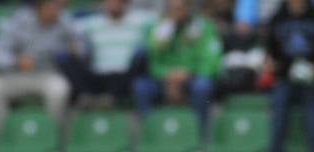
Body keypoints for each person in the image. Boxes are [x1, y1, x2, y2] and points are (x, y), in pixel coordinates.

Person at [0, 0, 86, 134]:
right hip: (17, 75)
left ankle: (51, 135)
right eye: (50, 6)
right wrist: (15, 61)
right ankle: (3, 136)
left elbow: (83, 45)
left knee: (59, 89)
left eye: (58, 7)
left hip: (47, 74)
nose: (55, 11)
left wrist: (78, 49)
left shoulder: (63, 21)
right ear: (39, 8)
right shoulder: (20, 21)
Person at [133, 0, 223, 132]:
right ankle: (149, 135)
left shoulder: (203, 26)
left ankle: (201, 136)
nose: (176, 12)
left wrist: (188, 73)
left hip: (192, 76)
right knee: (141, 86)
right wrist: (167, 74)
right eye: (173, 8)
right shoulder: (156, 27)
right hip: (163, 77)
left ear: (188, 8)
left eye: (180, 8)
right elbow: (151, 59)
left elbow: (212, 59)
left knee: (202, 86)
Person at [264, 0, 314, 152]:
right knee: (277, 124)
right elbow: (270, 47)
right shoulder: (277, 18)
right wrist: (271, 61)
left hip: (310, 80)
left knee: (313, 124)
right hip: (283, 78)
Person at [71, 0, 157, 105]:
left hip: (127, 75)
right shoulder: (92, 23)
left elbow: (165, 18)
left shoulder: (141, 20)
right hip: (99, 74)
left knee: (141, 55)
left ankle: (108, 98)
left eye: (118, 2)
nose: (113, 5)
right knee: (65, 58)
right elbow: (65, 25)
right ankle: (97, 96)